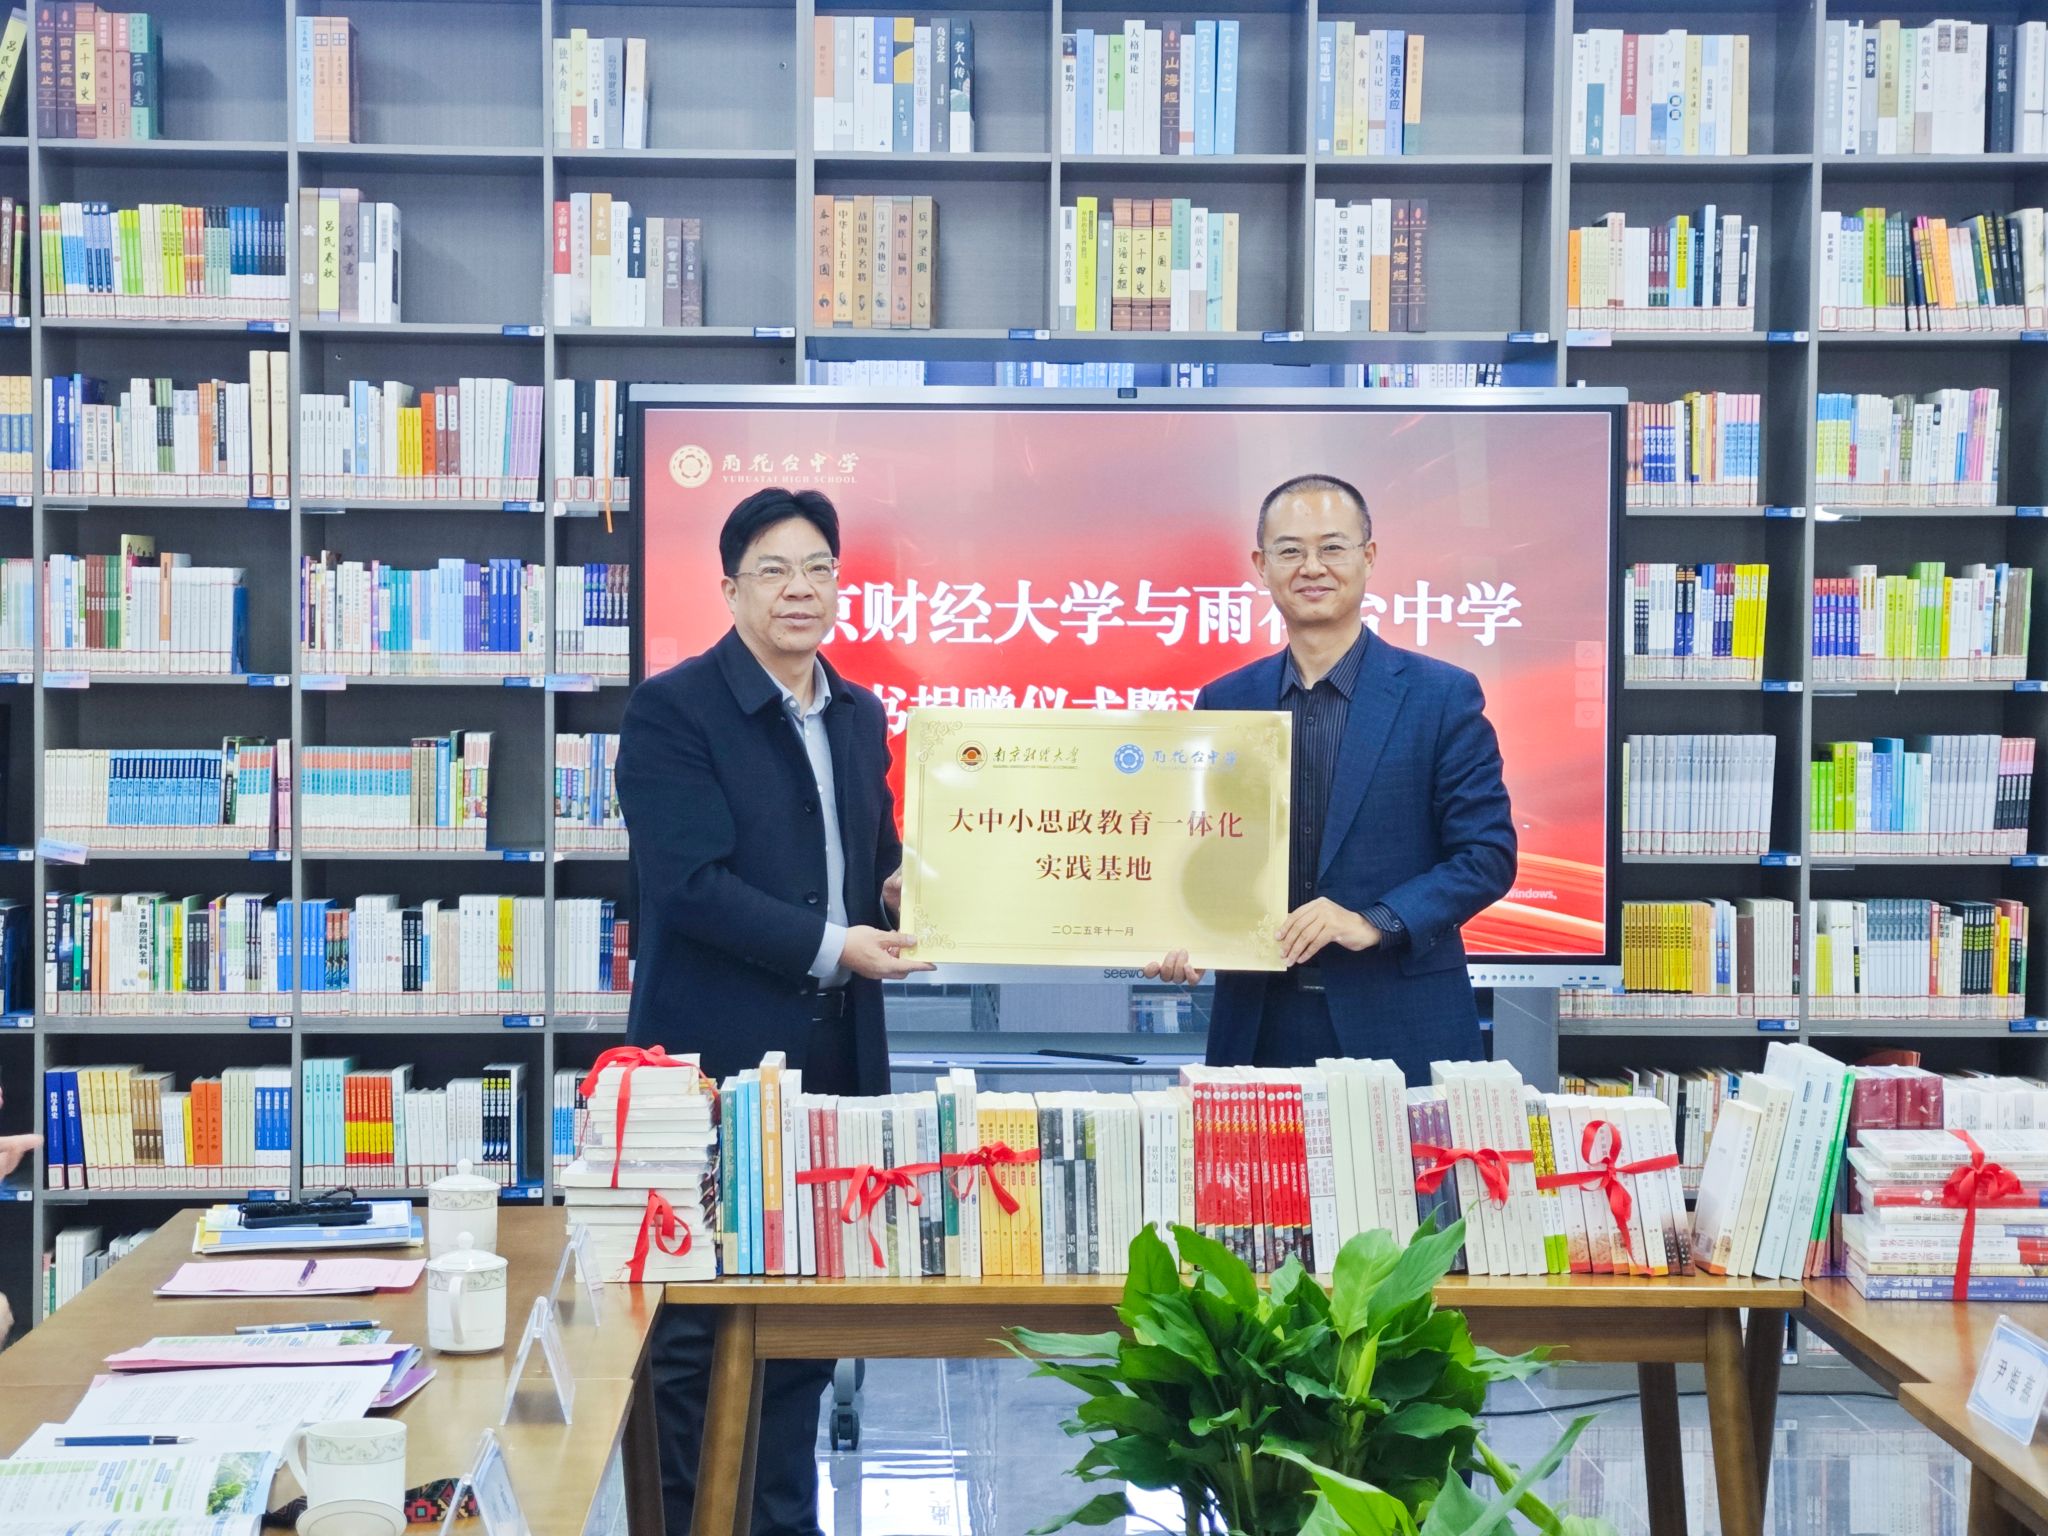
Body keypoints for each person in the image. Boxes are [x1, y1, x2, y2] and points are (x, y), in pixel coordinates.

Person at [614, 486, 930, 1536]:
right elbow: (689, 886)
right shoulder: (673, 710)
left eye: (818, 569)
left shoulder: (859, 713)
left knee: (802, 1314)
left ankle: (783, 1522)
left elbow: (871, 859)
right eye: (774, 571)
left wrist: (904, 893)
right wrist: (838, 944)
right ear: (730, 589)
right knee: (696, 1330)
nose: (801, 590)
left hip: (831, 1066)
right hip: (713, 1069)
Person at [1147, 473, 1516, 1083]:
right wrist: (1182, 931)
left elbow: (1486, 856)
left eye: (1332, 547)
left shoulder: (1442, 696)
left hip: (1403, 1021)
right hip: (1259, 1023)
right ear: (1262, 566)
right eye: (1290, 550)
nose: (1311, 567)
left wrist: (1375, 920)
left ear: (1368, 558)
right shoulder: (1225, 700)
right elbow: (1202, 847)